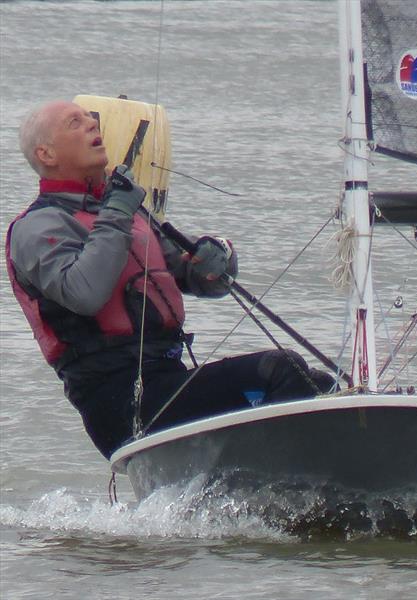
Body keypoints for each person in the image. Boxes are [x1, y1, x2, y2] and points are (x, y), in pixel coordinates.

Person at [6, 100, 335, 459]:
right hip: (117, 399)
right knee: (281, 369)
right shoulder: (37, 228)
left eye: (91, 119)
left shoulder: (124, 209)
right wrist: (117, 211)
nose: (91, 125)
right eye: (75, 122)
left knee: (320, 387)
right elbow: (85, 293)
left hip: (167, 379)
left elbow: (202, 278)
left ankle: (332, 489)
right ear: (46, 153)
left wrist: (217, 256)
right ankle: (285, 489)